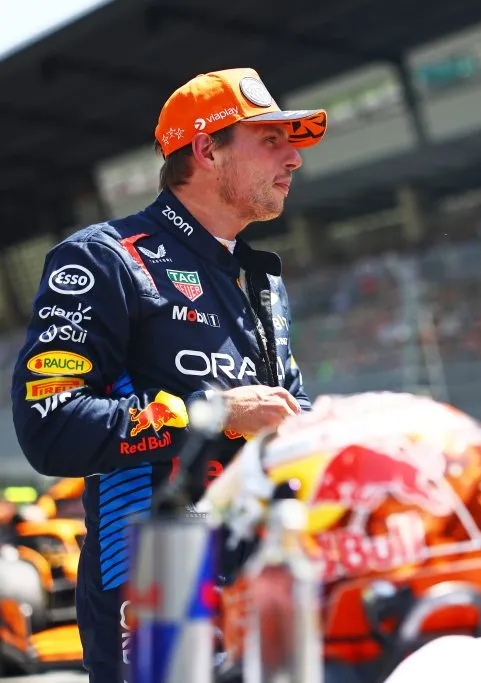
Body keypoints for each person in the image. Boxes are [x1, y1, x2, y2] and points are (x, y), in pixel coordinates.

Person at [9, 67, 328, 683]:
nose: (294, 157)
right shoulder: (104, 260)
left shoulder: (260, 277)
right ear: (207, 148)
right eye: (271, 139)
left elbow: (287, 417)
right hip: (161, 589)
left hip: (269, 579)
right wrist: (215, 413)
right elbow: (49, 426)